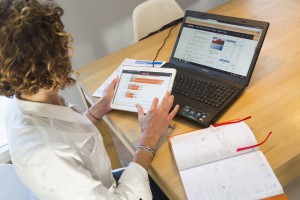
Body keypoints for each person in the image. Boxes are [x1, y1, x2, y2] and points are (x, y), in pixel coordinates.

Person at [0, 0, 179, 199]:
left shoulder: (25, 101)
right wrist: (148, 140)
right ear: (52, 60)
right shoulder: (48, 156)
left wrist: (99, 108)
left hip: (101, 186)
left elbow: (70, 138)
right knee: (177, 181)